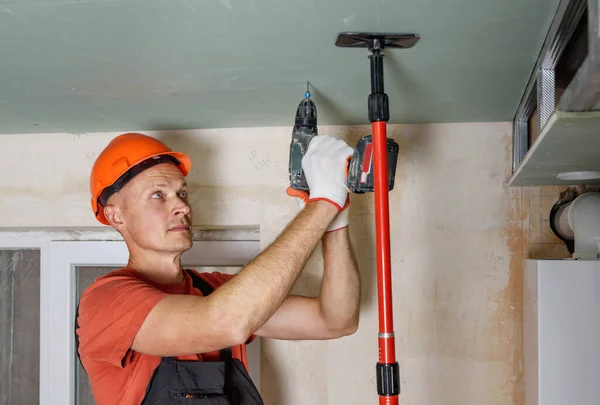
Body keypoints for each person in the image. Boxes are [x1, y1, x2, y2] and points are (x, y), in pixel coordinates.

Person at [75, 132, 360, 405]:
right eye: (157, 195)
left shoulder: (215, 291)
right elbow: (227, 324)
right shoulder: (106, 301)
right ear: (116, 216)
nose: (182, 207)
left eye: (182, 194)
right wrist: (322, 204)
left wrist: (335, 220)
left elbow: (335, 319)